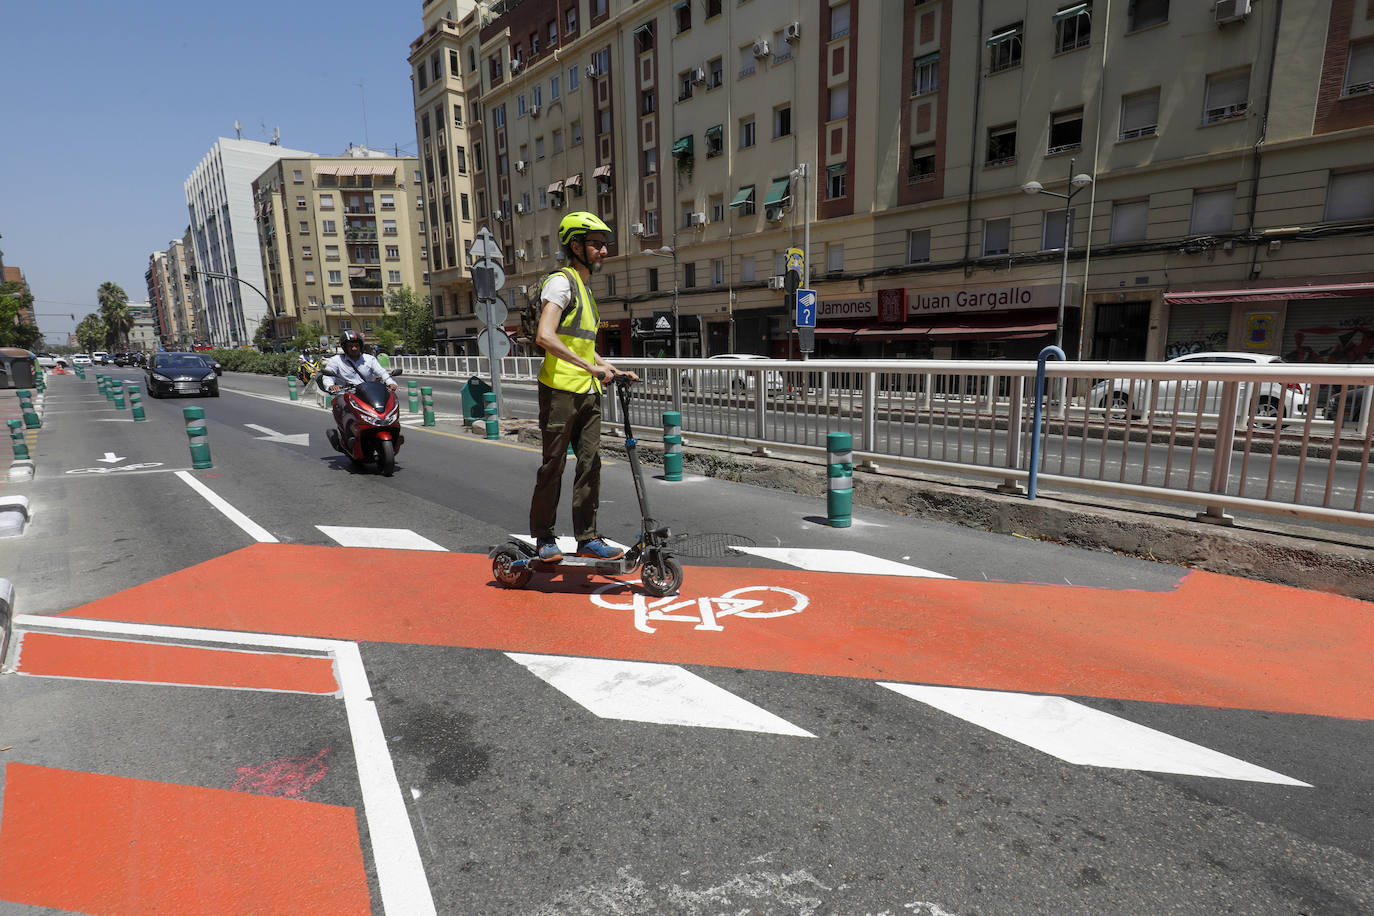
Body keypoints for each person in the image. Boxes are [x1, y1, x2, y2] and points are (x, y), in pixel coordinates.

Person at [529, 211, 638, 563]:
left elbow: (583, 346)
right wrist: (592, 367)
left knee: (591, 463)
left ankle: (586, 537)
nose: (603, 251)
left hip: (589, 391)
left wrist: (612, 368)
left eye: (604, 245)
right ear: (575, 245)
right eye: (596, 244)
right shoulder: (561, 283)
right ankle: (544, 537)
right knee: (554, 465)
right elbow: (544, 336)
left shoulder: (586, 289)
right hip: (560, 390)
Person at [322, 330, 396, 395]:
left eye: (356, 346)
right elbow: (328, 376)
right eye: (350, 346)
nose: (354, 348)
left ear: (360, 346)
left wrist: (390, 383)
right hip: (344, 395)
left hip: (367, 394)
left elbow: (382, 372)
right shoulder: (336, 360)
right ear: (345, 347)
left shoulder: (369, 359)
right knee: (342, 406)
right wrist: (331, 386)